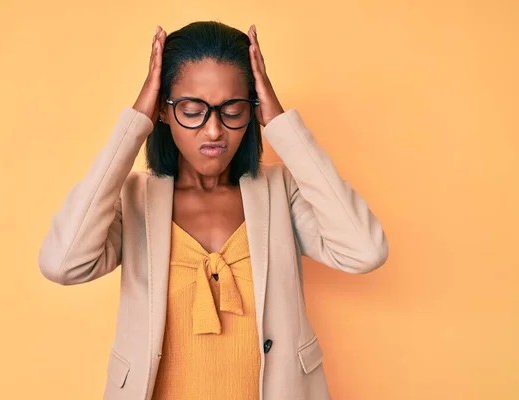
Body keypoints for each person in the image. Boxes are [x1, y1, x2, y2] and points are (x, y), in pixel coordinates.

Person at [38, 21, 389, 400]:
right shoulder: (133, 199)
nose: (213, 131)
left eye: (232, 109)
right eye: (192, 109)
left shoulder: (280, 191)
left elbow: (364, 250)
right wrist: (135, 124)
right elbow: (63, 263)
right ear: (164, 109)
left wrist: (282, 125)